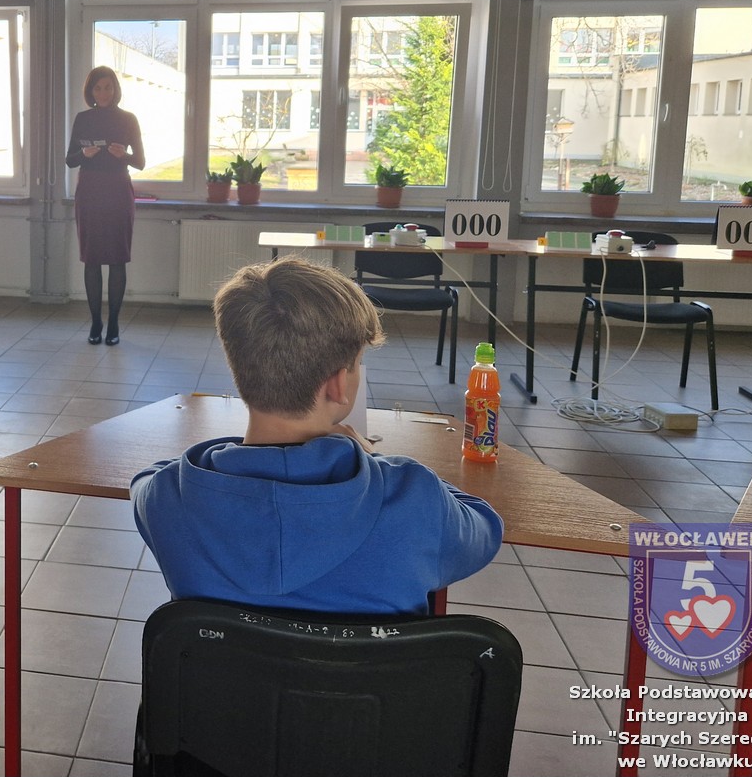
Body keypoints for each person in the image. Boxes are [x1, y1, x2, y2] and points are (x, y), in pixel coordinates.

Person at [131, 257, 503, 615]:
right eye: (357, 364)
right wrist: (366, 459)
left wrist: (226, 453)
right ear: (338, 384)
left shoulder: (168, 498)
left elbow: (147, 478)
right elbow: (486, 525)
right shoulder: (415, 497)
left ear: (240, 369)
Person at [65, 66, 145, 345]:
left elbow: (140, 162)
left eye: (108, 87)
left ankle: (113, 324)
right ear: (90, 91)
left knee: (117, 258)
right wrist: (83, 153)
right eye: (97, 88)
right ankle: (95, 322)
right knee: (92, 258)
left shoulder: (128, 119)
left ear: (115, 89)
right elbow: (70, 160)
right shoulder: (83, 119)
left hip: (117, 191)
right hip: (89, 191)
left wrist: (125, 155)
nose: (103, 93)